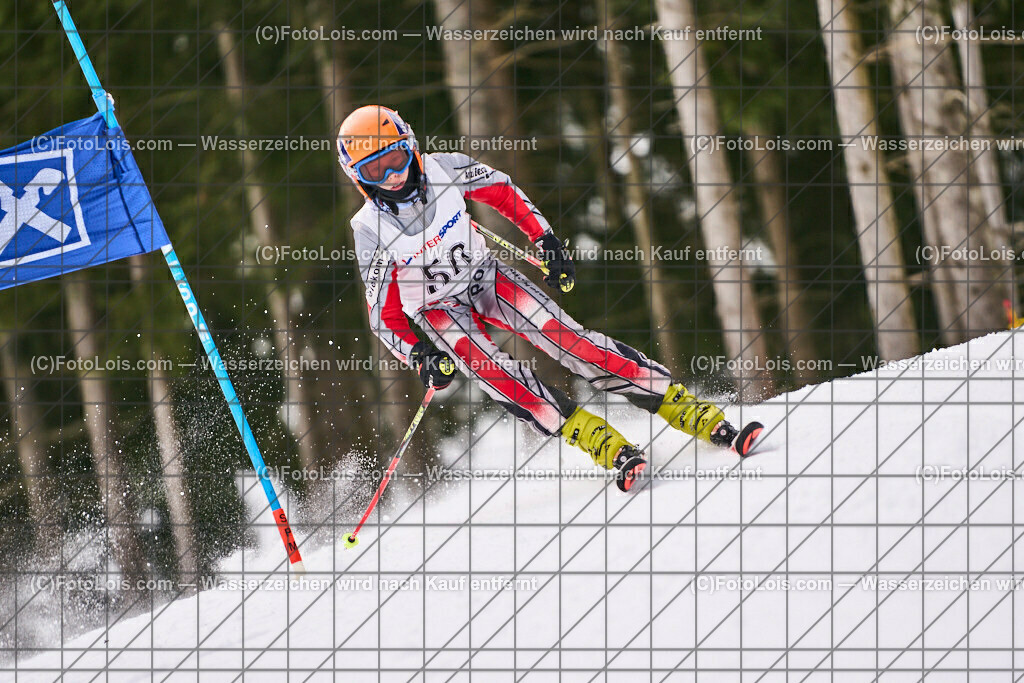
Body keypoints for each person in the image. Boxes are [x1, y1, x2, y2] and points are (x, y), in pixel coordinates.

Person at [337, 105, 761, 492]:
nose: (392, 174)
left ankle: (689, 411)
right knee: (503, 378)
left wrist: (546, 240)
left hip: (488, 280)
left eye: (395, 157)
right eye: (376, 170)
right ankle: (601, 441)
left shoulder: (445, 169)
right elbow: (383, 314)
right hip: (438, 311)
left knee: (570, 340)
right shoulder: (369, 228)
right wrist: (419, 355)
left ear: (410, 146)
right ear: (359, 178)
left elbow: (503, 191)